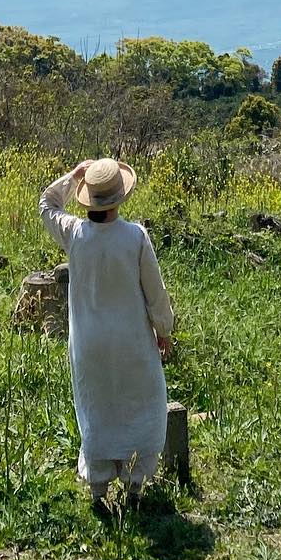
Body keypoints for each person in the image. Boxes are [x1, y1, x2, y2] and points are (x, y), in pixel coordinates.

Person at [39, 156, 175, 506]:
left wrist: (74, 175)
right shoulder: (135, 236)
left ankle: (98, 489)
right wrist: (164, 330)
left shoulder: (74, 234)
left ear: (88, 198)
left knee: (97, 408)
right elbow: (155, 293)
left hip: (89, 345)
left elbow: (47, 203)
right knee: (142, 405)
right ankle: (134, 485)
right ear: (120, 197)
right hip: (133, 341)